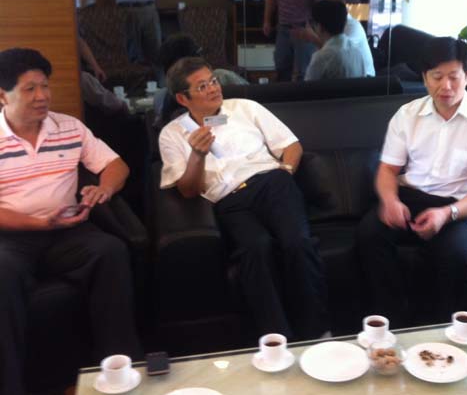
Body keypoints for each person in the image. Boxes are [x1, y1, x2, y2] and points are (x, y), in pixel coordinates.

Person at [0, 48, 142, 394]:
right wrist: (37, 224)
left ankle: (118, 371)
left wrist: (104, 189)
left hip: (67, 231)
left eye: (45, 86)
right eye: (30, 89)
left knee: (110, 251)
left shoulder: (68, 127)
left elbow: (116, 165)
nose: (42, 96)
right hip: (11, 237)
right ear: (3, 95)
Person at [158, 56, 328, 340]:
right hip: (230, 201)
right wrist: (197, 155)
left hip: (272, 183)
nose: (214, 88)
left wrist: (286, 171)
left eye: (213, 81)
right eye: (202, 86)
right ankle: (276, 340)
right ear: (182, 98)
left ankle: (317, 334)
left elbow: (291, 146)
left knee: (296, 242)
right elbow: (187, 190)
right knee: (255, 249)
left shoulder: (245, 108)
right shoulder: (172, 134)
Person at [357, 37, 467, 326]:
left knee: (459, 255)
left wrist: (446, 214)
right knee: (369, 235)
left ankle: (440, 328)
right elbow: (388, 170)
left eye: (454, 77)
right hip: (409, 195)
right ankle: (390, 319)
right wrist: (390, 201)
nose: (445, 86)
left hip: (455, 205)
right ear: (425, 78)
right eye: (437, 77)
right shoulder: (407, 115)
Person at [154, 33, 248, 123]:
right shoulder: (222, 76)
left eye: (214, 82)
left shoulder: (161, 96)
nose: (212, 89)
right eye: (202, 87)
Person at [304, 0, 374, 81]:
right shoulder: (357, 53)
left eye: (312, 23)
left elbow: (308, 87)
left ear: (320, 27)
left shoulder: (321, 58)